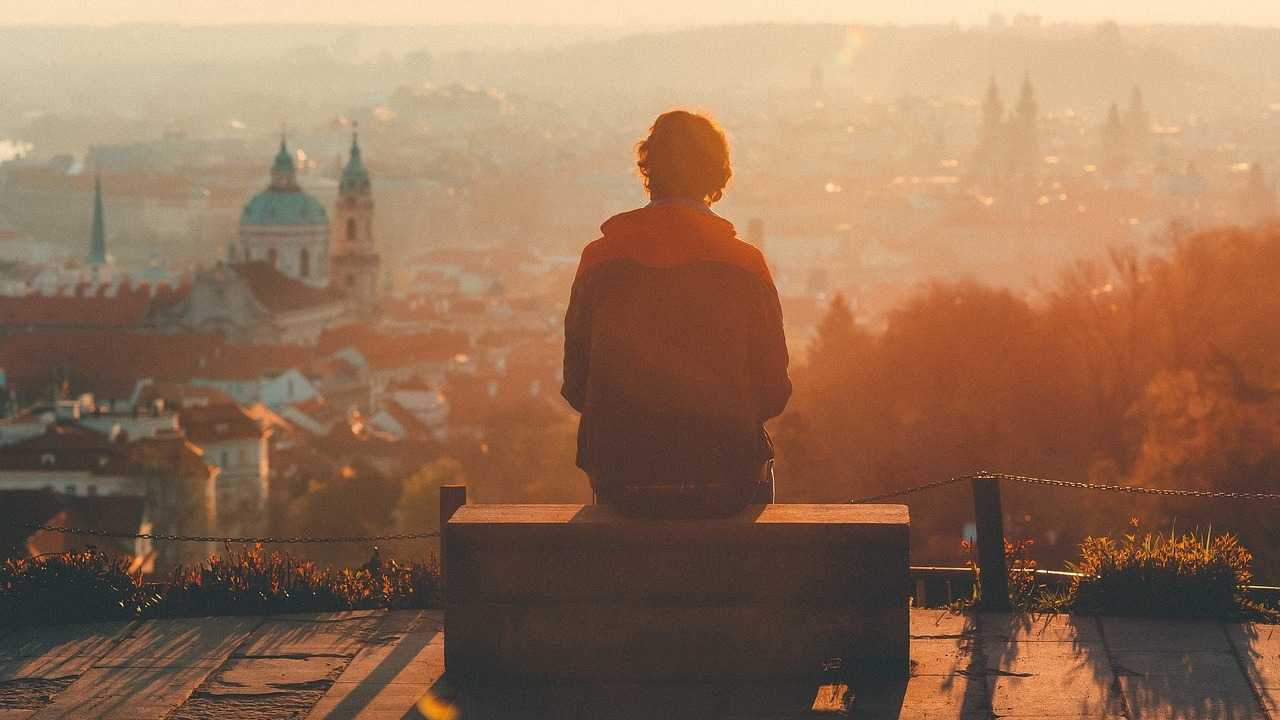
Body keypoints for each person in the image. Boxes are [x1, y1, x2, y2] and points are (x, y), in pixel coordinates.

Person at [561, 110, 792, 519]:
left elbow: (577, 383)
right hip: (724, 480)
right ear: (717, 176)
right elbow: (774, 388)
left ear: (649, 171)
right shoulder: (745, 265)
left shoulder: (599, 260)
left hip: (624, 480)